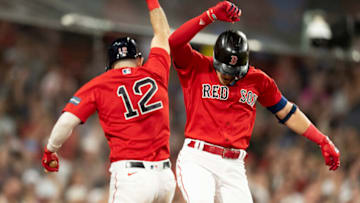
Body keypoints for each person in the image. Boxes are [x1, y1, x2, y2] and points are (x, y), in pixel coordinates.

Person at [168, 1, 340, 203]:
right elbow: (174, 42)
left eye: (234, 73)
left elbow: (288, 112)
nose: (229, 76)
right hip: (199, 159)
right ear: (215, 58)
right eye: (224, 71)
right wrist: (211, 15)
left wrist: (321, 139)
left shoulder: (258, 80)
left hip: (234, 165)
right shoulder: (197, 66)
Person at [41, 0, 176, 202]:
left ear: (110, 65)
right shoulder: (156, 71)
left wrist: (50, 149)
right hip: (165, 178)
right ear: (139, 60)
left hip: (132, 178)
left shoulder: (100, 84)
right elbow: (162, 33)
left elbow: (67, 121)